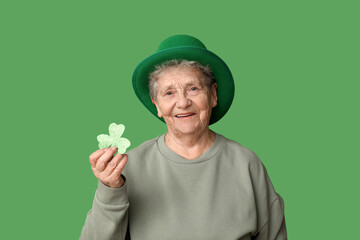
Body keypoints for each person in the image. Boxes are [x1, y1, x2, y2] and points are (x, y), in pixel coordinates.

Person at [79, 35, 287, 240]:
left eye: (193, 88)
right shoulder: (127, 168)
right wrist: (110, 190)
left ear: (213, 95)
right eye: (169, 93)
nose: (183, 102)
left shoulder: (247, 164)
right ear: (156, 104)